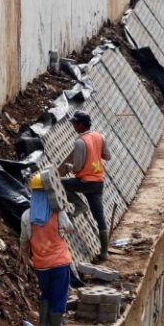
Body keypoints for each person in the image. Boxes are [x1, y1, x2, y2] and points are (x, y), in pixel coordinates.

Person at [20, 171, 73, 326]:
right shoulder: (58, 214)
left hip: (41, 265)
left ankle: (42, 325)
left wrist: (24, 259)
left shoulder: (27, 216)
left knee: (46, 293)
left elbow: (24, 241)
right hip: (60, 263)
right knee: (59, 298)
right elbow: (70, 229)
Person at [61, 111, 112, 261]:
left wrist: (69, 167)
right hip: (98, 183)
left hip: (85, 182)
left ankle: (79, 204)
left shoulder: (80, 142)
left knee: (59, 184)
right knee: (99, 217)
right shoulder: (99, 136)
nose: (73, 126)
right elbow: (107, 157)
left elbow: (77, 168)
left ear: (81, 124)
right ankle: (104, 253)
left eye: (75, 124)